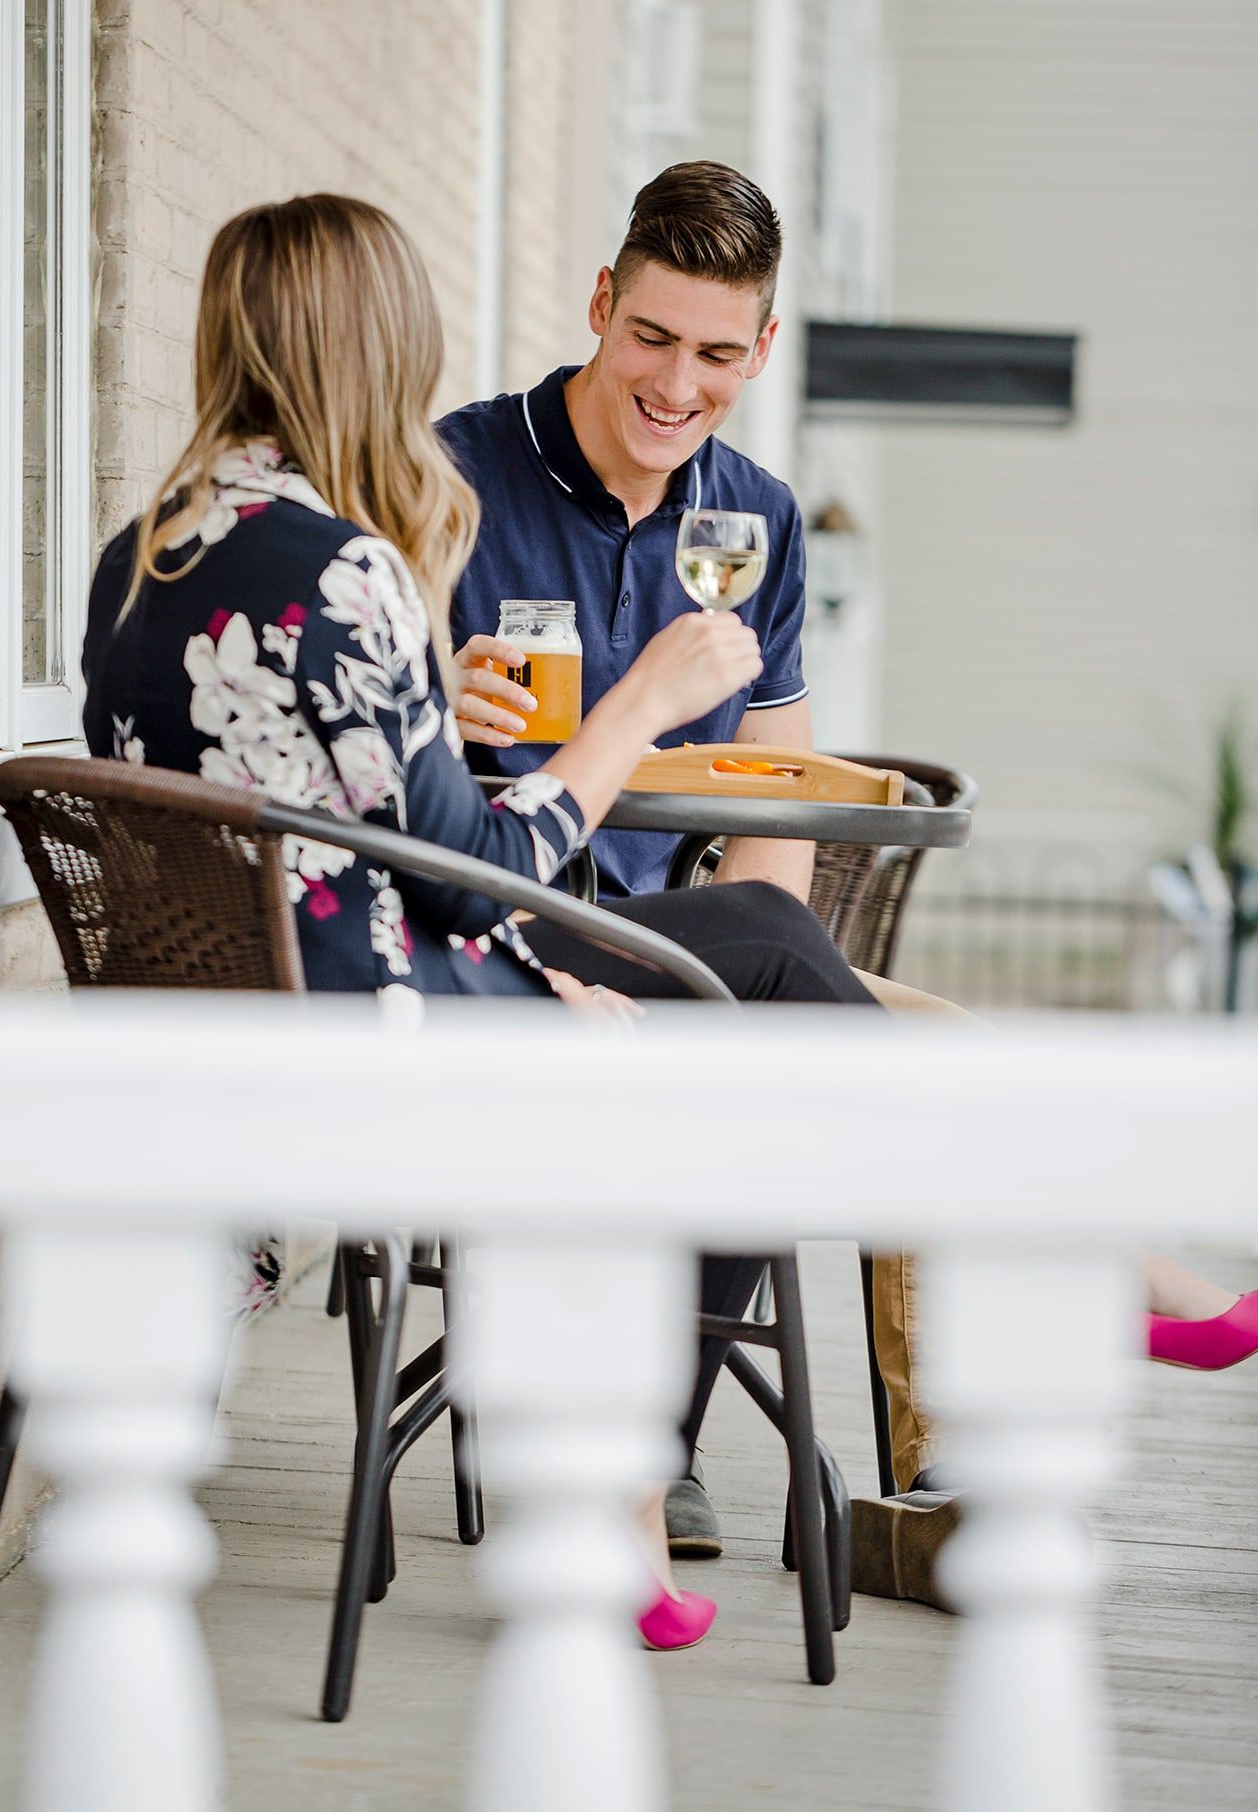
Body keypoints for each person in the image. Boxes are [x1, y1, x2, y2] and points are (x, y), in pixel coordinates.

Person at [436, 160, 1258, 1606]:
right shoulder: (457, 477)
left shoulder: (751, 517)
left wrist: (735, 976)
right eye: (649, 338)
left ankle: (718, 1461)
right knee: (781, 976)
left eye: (712, 354)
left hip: (676, 943)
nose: (673, 387)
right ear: (600, 308)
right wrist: (457, 705)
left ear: (759, 353)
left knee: (871, 1019)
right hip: (506, 935)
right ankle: (1082, 1240)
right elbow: (377, 764)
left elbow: (780, 802)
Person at [78, 191, 874, 1650]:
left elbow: (311, 798)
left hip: (218, 1015)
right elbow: (466, 862)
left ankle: (616, 1496)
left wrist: (447, 737)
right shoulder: (348, 563)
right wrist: (631, 715)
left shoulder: (141, 551)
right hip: (364, 1019)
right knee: (747, 968)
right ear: (379, 351)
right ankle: (614, 1491)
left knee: (731, 964)